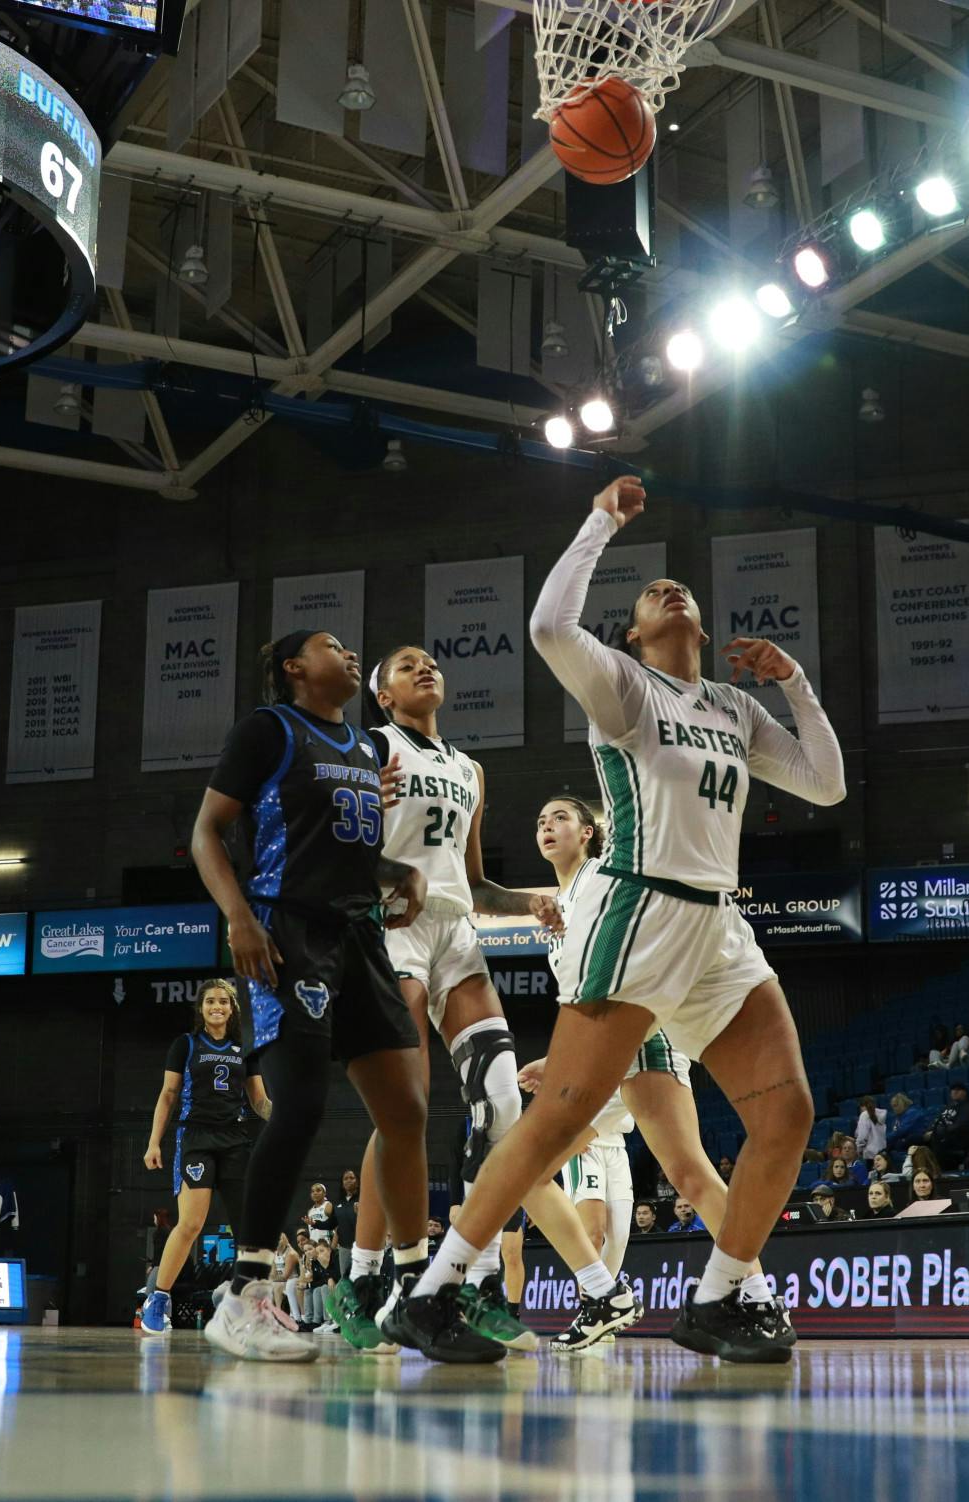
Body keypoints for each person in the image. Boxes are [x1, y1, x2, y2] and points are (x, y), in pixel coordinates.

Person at [398, 477, 844, 1365]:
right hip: (644, 911)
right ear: (634, 635)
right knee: (557, 1120)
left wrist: (794, 682)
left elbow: (825, 784)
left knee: (788, 1113)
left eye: (681, 591)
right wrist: (602, 521)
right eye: (651, 596)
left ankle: (722, 1297)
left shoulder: (733, 706)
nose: (669, 591)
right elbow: (548, 627)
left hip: (719, 926)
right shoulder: (627, 689)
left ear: (703, 629)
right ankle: (433, 1291)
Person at [332, 657, 613, 1359]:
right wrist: (378, 856)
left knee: (503, 1103)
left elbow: (475, 881)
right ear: (383, 694)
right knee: (403, 1107)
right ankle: (362, 1281)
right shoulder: (370, 746)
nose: (424, 667)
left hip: (456, 930)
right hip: (394, 923)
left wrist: (527, 902)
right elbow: (336, 843)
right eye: (407, 665)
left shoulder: (469, 769)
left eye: (430, 661)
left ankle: (477, 1281)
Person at [189, 628, 457, 1363]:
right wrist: (238, 917)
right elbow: (206, 833)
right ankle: (242, 1296)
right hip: (287, 930)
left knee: (406, 1109)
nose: (349, 653)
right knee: (302, 1104)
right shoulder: (268, 730)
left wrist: (399, 871)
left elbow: (347, 849)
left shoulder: (367, 746)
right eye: (331, 646)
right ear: (293, 668)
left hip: (360, 935)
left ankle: (411, 1292)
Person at [511, 795, 786, 1353]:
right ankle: (602, 1292)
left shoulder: (602, 881)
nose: (547, 826)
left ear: (588, 832)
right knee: (528, 1174)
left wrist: (576, 1056)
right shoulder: (561, 906)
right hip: (605, 1053)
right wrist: (562, 1059)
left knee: (689, 1173)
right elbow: (586, 998)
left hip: (639, 1036)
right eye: (540, 821)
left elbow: (626, 974)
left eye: (560, 818)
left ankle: (757, 1296)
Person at [138, 980, 272, 1337]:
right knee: (191, 1224)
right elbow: (168, 1094)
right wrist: (153, 1143)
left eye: (223, 1001)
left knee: (248, 1229)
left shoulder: (246, 1047)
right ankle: (158, 1298)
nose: (217, 1006)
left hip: (235, 1139)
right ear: (201, 1008)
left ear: (232, 1008)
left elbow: (259, 1100)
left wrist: (285, 1116)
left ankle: (250, 1304)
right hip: (195, 1137)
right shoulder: (185, 1045)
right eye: (210, 1001)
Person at [853, 1096, 887, 1162]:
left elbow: (862, 1137)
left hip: (870, 1155)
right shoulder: (882, 1113)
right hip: (883, 1153)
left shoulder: (864, 1115)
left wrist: (858, 1149)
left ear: (862, 1106)